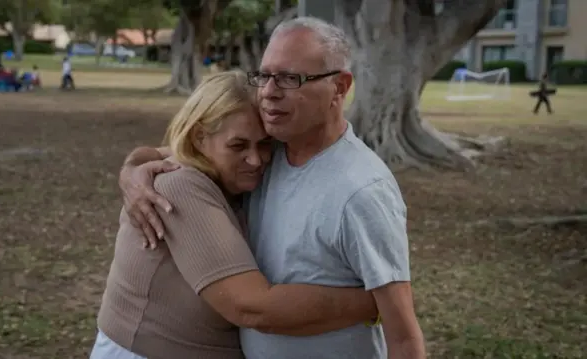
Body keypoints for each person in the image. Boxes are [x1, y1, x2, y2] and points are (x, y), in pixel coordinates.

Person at [119, 17, 425, 359]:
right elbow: (181, 152)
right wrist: (133, 171)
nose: (268, 91)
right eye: (264, 75)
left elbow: (404, 339)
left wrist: (381, 303)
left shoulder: (361, 191)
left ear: (340, 87)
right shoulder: (267, 152)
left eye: (289, 78)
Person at [90, 71, 379, 359]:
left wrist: (133, 164)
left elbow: (160, 150)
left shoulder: (232, 173)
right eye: (238, 146)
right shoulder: (179, 184)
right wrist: (377, 301)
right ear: (200, 137)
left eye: (265, 144)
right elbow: (252, 306)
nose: (255, 160)